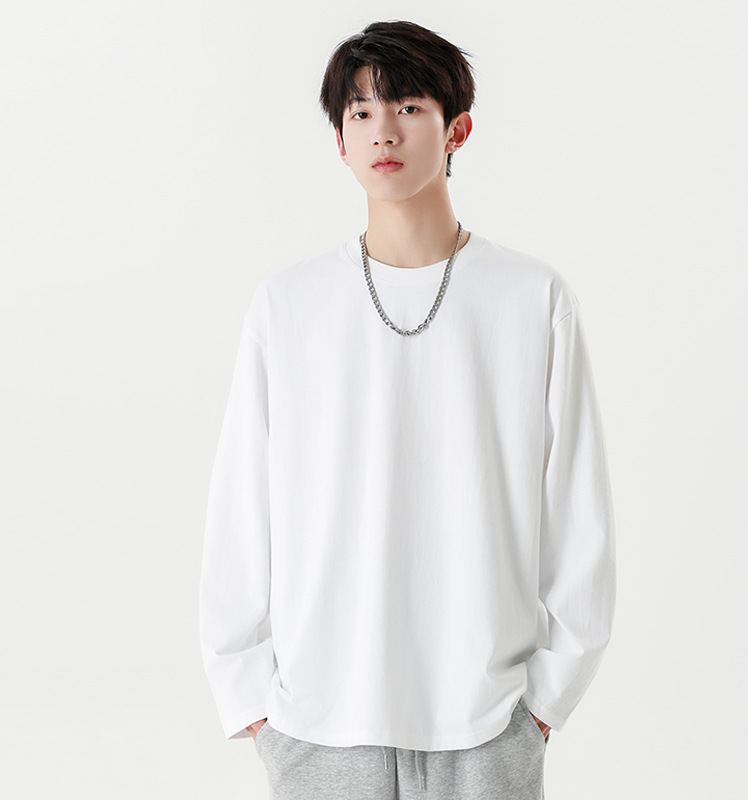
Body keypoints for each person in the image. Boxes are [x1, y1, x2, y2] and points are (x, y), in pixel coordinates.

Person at [199, 19, 616, 799]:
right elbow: (240, 506)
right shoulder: (289, 305)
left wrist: (544, 703)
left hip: (486, 722)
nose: (383, 131)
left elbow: (577, 507)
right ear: (339, 140)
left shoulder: (531, 299)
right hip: (320, 722)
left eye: (409, 107)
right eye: (360, 112)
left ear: (457, 129)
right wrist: (251, 701)